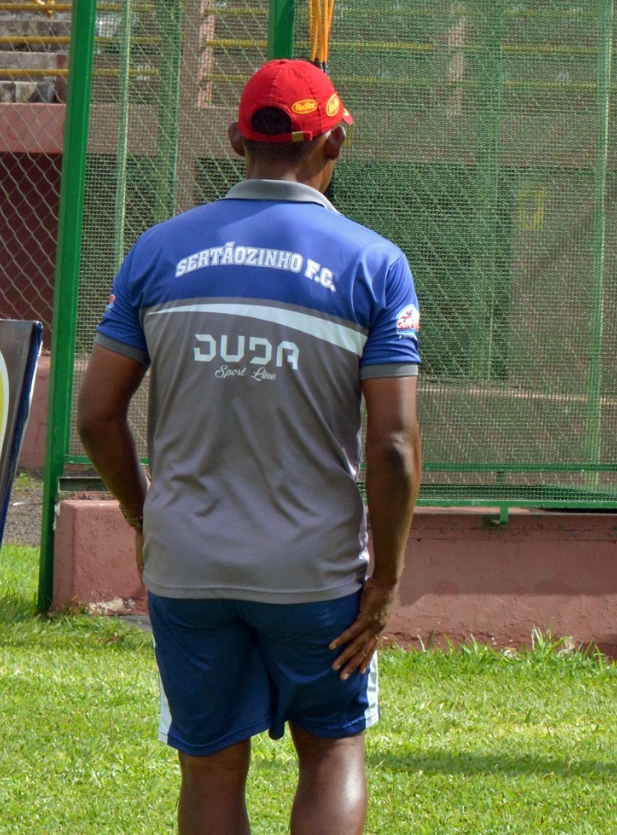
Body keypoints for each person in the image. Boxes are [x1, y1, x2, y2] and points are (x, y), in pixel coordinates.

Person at [76, 59, 422, 832]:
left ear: (238, 139)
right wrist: (387, 584)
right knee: (332, 749)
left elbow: (98, 415)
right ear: (333, 143)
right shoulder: (375, 265)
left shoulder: (157, 253)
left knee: (209, 765)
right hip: (316, 575)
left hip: (188, 565)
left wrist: (144, 517)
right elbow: (393, 447)